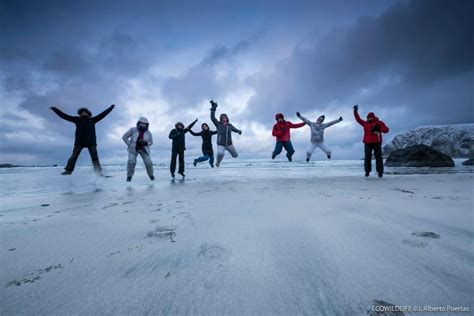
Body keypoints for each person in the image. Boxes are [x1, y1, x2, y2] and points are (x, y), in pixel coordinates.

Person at [50, 104, 115, 175]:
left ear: (88, 113)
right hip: (79, 141)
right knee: (73, 156)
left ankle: (98, 172)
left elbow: (103, 114)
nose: (84, 113)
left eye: (85, 112)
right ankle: (68, 171)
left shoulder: (92, 120)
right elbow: (64, 116)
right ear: (80, 113)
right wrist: (55, 109)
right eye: (82, 112)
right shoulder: (77, 119)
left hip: (91, 142)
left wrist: (110, 108)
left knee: (95, 158)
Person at [353, 105, 389, 177]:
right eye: (368, 117)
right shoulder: (365, 123)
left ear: (373, 117)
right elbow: (358, 119)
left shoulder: (379, 123)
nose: (369, 118)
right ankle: (367, 172)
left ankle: (380, 172)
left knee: (378, 157)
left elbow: (387, 129)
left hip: (377, 142)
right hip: (367, 142)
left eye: (370, 117)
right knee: (367, 157)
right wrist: (355, 111)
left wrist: (380, 130)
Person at [210, 100, 242, 167]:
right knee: (221, 153)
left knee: (235, 155)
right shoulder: (218, 124)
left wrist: (238, 131)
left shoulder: (229, 125)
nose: (224, 119)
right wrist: (213, 108)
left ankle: (226, 153)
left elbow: (234, 129)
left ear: (227, 119)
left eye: (225, 118)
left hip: (229, 144)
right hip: (221, 144)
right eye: (223, 118)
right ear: (221, 119)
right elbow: (212, 118)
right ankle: (218, 162)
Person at [122, 117, 155, 182]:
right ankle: (129, 177)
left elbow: (151, 142)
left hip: (144, 149)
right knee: (131, 162)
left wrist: (146, 143)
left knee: (148, 162)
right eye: (141, 123)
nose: (143, 124)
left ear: (147, 125)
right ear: (138, 123)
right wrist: (129, 144)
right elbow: (124, 137)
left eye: (144, 123)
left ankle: (151, 176)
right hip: (133, 149)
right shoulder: (133, 129)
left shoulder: (148, 132)